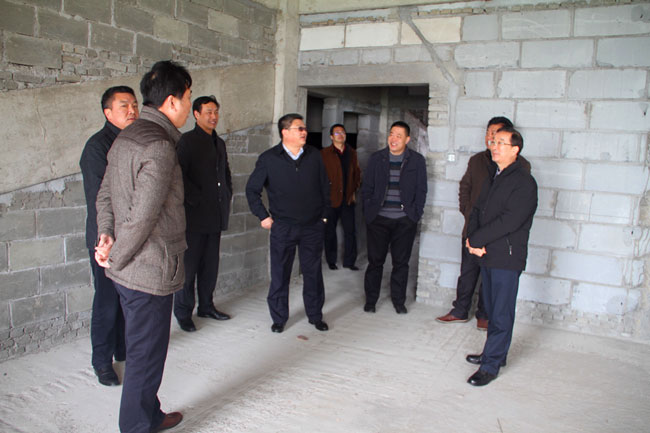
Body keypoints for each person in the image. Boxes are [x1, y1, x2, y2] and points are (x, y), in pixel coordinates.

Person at [95, 60, 192, 432]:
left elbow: (105, 194)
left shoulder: (128, 135)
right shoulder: (159, 145)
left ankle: (150, 414)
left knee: (144, 352)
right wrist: (115, 255)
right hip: (147, 270)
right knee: (145, 358)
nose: (188, 105)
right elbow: (143, 217)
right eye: (187, 97)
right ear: (171, 101)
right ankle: (137, 426)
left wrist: (106, 237)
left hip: (128, 267)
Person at [436, 117, 529, 330]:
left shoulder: (521, 167)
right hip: (473, 230)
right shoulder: (477, 160)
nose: (491, 138)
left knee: (490, 280)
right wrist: (468, 213)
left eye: (496, 135)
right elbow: (465, 188)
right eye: (489, 133)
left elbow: (513, 212)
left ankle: (484, 315)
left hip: (497, 237)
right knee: (467, 273)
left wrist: (487, 232)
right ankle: (460, 310)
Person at [465, 126, 537, 387]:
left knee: (501, 312)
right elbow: (477, 210)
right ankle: (494, 353)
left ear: (515, 149)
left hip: (506, 257)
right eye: (493, 142)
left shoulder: (524, 182)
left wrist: (477, 240)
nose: (494, 147)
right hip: (487, 254)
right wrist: (472, 239)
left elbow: (510, 221)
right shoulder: (494, 176)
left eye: (501, 143)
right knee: (491, 308)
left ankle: (491, 365)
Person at [246, 113, 330, 333]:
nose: (304, 132)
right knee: (280, 274)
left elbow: (325, 186)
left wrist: (324, 216)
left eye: (304, 128)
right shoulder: (269, 159)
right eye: (299, 128)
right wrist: (263, 216)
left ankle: (315, 315)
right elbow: (252, 190)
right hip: (283, 227)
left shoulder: (314, 155)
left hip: (312, 226)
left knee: (313, 273)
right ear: (284, 132)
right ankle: (279, 318)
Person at [79, 86, 138, 386]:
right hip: (107, 238)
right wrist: (112, 236)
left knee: (126, 297)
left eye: (134, 104)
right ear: (108, 112)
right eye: (124, 105)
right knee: (106, 302)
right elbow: (101, 198)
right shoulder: (97, 147)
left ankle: (122, 349)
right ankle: (102, 362)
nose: (132, 110)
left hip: (131, 236)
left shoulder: (135, 142)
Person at [173, 95, 232, 333]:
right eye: (208, 112)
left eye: (216, 112)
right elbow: (178, 175)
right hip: (194, 218)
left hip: (215, 216)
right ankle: (183, 313)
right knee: (189, 269)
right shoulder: (186, 141)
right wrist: (195, 199)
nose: (213, 116)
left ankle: (206, 306)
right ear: (196, 114)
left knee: (210, 266)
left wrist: (227, 193)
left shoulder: (219, 143)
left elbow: (225, 173)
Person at [361, 121, 427, 314]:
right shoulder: (377, 158)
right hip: (379, 219)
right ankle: (371, 300)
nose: (393, 138)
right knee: (375, 262)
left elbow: (421, 190)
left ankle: (399, 301)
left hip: (404, 220)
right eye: (391, 134)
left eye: (399, 135)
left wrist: (415, 214)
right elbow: (367, 187)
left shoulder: (416, 160)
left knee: (401, 263)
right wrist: (369, 211)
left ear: (407, 139)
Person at [321, 124, 362, 271]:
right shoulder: (324, 154)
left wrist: (354, 188)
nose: (340, 134)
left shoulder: (352, 152)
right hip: (331, 199)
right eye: (337, 133)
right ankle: (331, 260)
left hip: (347, 199)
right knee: (329, 232)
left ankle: (349, 262)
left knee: (350, 232)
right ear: (331, 137)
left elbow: (357, 173)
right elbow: (320, 176)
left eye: (343, 132)